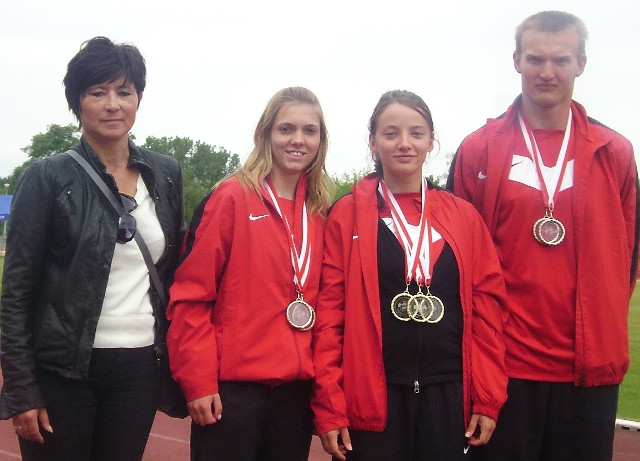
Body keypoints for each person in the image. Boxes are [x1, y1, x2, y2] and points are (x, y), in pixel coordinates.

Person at [447, 11, 639, 461]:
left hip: (588, 370)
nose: (547, 72)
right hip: (504, 368)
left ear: (582, 64)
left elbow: (626, 254)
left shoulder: (615, 151)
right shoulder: (480, 147)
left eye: (561, 60)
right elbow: (458, 258)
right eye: (535, 59)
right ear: (516, 61)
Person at [0, 37, 184, 460]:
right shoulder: (46, 177)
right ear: (77, 102)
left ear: (139, 99)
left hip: (139, 366)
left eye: (124, 91)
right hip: (63, 370)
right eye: (97, 92)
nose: (113, 104)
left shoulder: (166, 174)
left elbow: (171, 271)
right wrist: (22, 389)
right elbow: (17, 293)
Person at [311, 90, 508, 461]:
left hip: (447, 397)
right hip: (373, 399)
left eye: (416, 133)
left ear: (431, 141)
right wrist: (330, 404)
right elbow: (329, 318)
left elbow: (488, 315)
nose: (404, 144)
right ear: (373, 141)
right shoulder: (346, 215)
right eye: (391, 133)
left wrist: (488, 395)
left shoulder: (463, 217)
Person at [166, 86, 333, 461]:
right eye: (286, 129)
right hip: (232, 392)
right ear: (266, 134)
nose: (298, 140)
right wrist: (198, 380)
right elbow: (191, 295)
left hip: (295, 393)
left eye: (310, 131)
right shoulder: (230, 197)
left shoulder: (320, 210)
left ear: (321, 140)